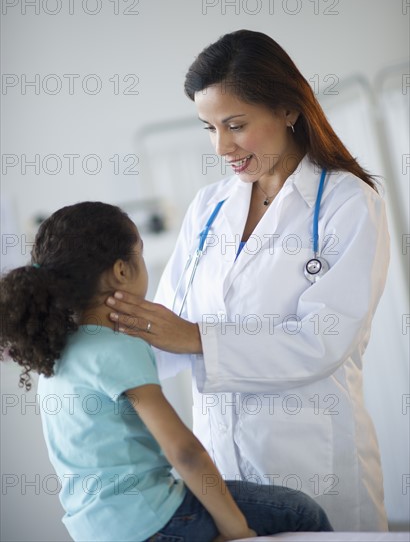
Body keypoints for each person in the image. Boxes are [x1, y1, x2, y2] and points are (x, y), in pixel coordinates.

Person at [105, 30, 390, 532]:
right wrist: (82, 339)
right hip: (221, 464)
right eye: (208, 128)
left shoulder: (348, 203)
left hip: (311, 460)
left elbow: (323, 340)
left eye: (235, 125)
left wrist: (196, 338)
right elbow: (164, 326)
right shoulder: (209, 207)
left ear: (287, 110)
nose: (221, 146)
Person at [0, 201, 332, 542]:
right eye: (139, 253)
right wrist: (236, 529)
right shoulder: (119, 346)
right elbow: (185, 452)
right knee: (301, 512)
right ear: (121, 272)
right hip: (155, 519)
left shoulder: (56, 354)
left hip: (96, 531)